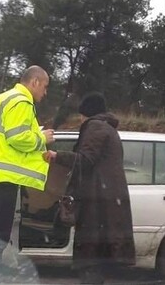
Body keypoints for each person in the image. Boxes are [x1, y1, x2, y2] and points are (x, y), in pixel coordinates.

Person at [0, 65, 55, 283]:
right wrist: (42, 138)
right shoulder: (22, 101)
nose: (45, 93)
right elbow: (18, 138)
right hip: (1, 179)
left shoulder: (1, 99)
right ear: (34, 82)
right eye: (45, 87)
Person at [44, 92, 135, 284]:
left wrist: (56, 155)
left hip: (97, 206)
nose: (80, 119)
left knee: (90, 263)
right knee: (98, 264)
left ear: (88, 113)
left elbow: (85, 161)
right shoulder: (108, 128)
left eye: (81, 115)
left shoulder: (95, 127)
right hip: (106, 203)